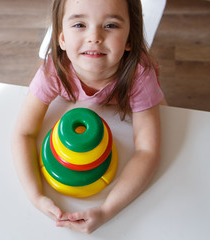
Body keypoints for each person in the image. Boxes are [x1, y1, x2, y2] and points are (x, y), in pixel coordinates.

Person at [11, 0, 166, 234]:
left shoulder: (139, 76)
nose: (95, 37)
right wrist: (36, 196)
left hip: (135, 106)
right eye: (80, 24)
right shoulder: (54, 69)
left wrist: (107, 210)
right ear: (61, 37)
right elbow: (23, 132)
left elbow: (148, 151)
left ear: (130, 40)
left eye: (111, 25)